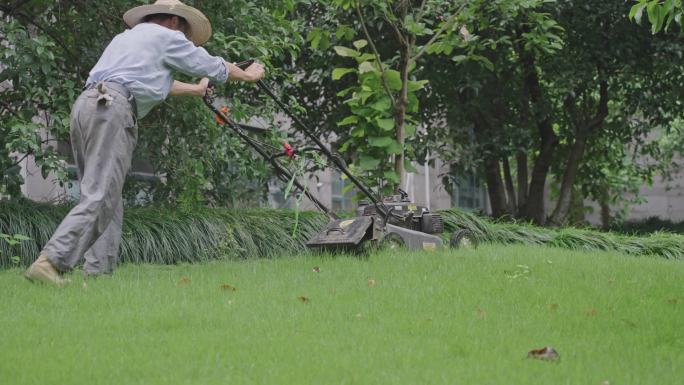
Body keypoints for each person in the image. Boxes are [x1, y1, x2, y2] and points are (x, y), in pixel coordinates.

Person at [24, 0, 265, 285]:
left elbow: (151, 81)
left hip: (87, 106)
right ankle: (51, 261)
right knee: (101, 193)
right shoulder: (168, 36)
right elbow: (212, 65)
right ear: (175, 22)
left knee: (106, 195)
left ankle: (99, 276)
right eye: (187, 34)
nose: (186, 40)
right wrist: (247, 75)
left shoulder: (127, 39)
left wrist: (196, 90)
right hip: (113, 109)